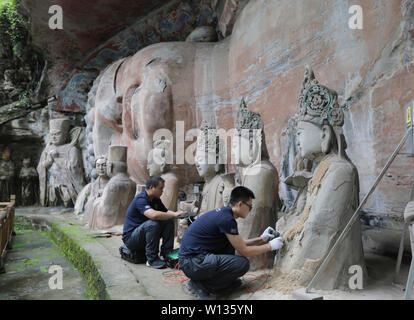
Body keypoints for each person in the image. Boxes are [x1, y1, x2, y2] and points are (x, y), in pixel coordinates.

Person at [178, 186, 284, 300]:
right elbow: (244, 251)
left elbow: (239, 243)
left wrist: (261, 239)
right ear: (240, 204)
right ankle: (201, 286)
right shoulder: (227, 219)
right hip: (192, 262)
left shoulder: (225, 214)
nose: (250, 210)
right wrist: (270, 246)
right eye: (250, 206)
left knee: (229, 247)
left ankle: (214, 284)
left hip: (194, 260)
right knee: (242, 264)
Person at [122, 176, 185, 269]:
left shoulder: (155, 199)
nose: (162, 191)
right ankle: (151, 260)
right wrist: (174, 215)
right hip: (131, 239)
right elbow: (153, 215)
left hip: (143, 235)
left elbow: (166, 212)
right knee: (152, 224)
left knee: (168, 221)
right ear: (151, 187)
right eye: (160, 188)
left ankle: (166, 253)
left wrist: (178, 214)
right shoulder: (141, 199)